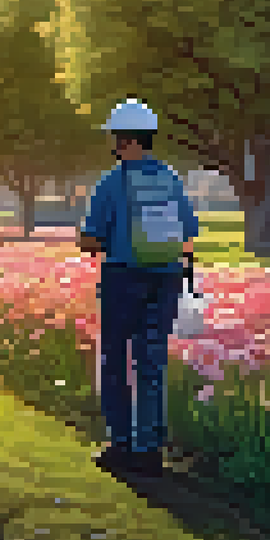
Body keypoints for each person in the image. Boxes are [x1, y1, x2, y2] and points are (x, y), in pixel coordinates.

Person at [78, 97, 198, 479]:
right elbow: (188, 234)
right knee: (151, 362)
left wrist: (92, 241)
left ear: (125, 140)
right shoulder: (170, 178)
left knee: (115, 361)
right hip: (165, 279)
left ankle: (121, 445)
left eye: (114, 137)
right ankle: (149, 450)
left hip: (123, 278)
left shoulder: (113, 182)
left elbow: (91, 239)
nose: (112, 144)